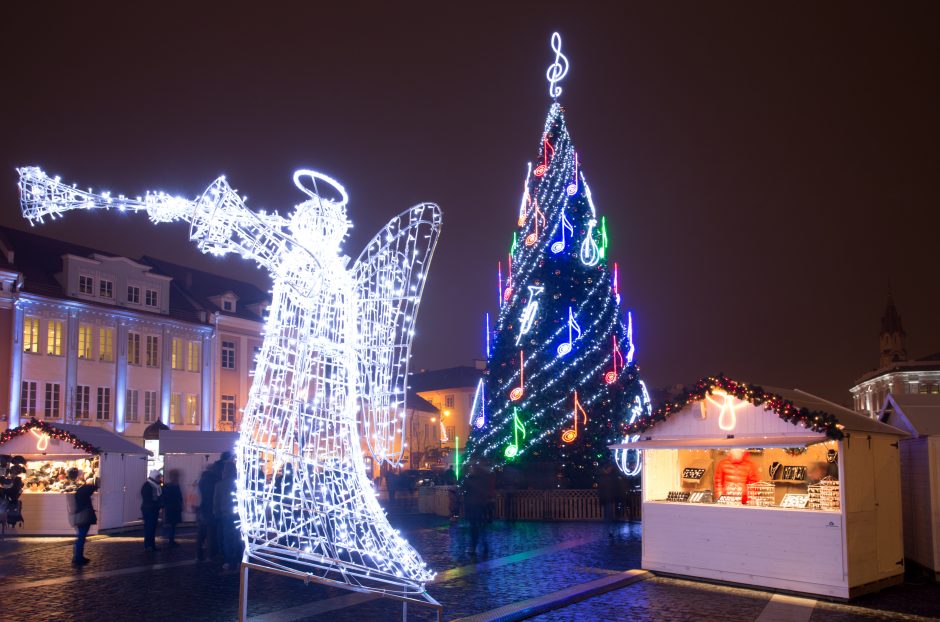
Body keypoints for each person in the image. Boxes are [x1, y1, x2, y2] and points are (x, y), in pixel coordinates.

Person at [68, 468, 98, 566]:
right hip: (84, 516)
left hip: (80, 515)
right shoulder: (84, 490)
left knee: (81, 536)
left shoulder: (80, 491)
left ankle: (78, 556)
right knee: (81, 537)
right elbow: (94, 486)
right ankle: (78, 557)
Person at [462, 463, 494, 556]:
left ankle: (474, 546)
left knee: (474, 527)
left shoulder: (470, 480)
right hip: (481, 505)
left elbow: (464, 490)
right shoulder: (483, 480)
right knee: (481, 526)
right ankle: (484, 545)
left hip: (472, 505)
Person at [214, 460, 240, 571]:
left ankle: (228, 560)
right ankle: (239, 560)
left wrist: (216, 512)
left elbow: (216, 500)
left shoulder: (220, 484)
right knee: (238, 538)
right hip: (237, 513)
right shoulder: (238, 483)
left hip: (225, 513)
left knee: (227, 539)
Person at [196, 461, 222, 561]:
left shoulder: (201, 480)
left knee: (201, 534)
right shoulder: (215, 480)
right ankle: (210, 555)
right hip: (211, 509)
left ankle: (198, 555)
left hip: (201, 509)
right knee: (211, 534)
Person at [141, 469, 163, 551]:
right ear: (154, 477)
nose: (159, 479)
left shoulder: (155, 485)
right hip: (149, 509)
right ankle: (148, 546)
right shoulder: (148, 486)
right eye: (158, 477)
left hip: (153, 509)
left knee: (152, 527)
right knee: (149, 527)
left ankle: (151, 545)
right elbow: (148, 498)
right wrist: (157, 503)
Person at [597, 463, 621, 537]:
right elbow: (603, 489)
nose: (611, 470)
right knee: (608, 515)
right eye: (610, 468)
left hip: (608, 498)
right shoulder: (606, 477)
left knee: (608, 514)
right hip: (607, 498)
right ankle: (608, 530)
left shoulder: (606, 477)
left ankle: (608, 530)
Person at [161, 469, 183, 547]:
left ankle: (170, 540)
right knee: (172, 525)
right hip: (173, 508)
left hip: (171, 508)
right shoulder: (173, 486)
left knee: (171, 524)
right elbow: (178, 497)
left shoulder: (168, 486)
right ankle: (170, 540)